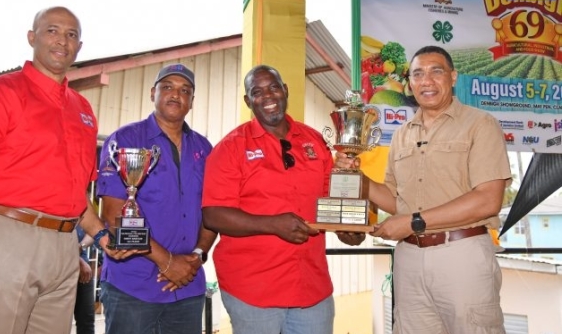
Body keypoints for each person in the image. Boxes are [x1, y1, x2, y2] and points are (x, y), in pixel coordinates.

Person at [0, 6, 134, 334]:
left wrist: (101, 236)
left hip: (64, 247)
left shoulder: (81, 109)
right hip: (6, 236)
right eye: (52, 30)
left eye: (72, 35)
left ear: (79, 47)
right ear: (32, 37)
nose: (62, 40)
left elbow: (74, 191)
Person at [341, 46, 511, 334]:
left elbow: (488, 201)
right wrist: (359, 179)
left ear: (453, 77)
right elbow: (398, 202)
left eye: (436, 71)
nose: (426, 81)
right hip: (409, 259)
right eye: (418, 74)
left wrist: (413, 222)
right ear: (410, 83)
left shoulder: (480, 124)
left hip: (461, 254)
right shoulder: (402, 135)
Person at [201, 64, 365, 334]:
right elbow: (214, 214)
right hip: (253, 291)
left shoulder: (313, 140)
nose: (267, 96)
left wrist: (348, 228)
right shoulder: (231, 147)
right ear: (248, 101)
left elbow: (330, 197)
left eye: (274, 87)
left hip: (312, 288)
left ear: (285, 90)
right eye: (257, 91)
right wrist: (273, 224)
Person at [97, 63, 217, 334]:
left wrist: (196, 256)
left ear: (192, 101)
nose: (176, 95)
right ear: (153, 93)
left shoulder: (204, 148)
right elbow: (115, 216)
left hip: (187, 285)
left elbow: (213, 211)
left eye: (184, 90)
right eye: (168, 87)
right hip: (133, 286)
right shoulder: (126, 139)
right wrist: (168, 262)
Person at [74, 227, 95, 334]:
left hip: (83, 265)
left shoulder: (86, 210)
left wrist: (80, 247)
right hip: (57, 264)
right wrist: (77, 260)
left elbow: (93, 231)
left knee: (86, 318)